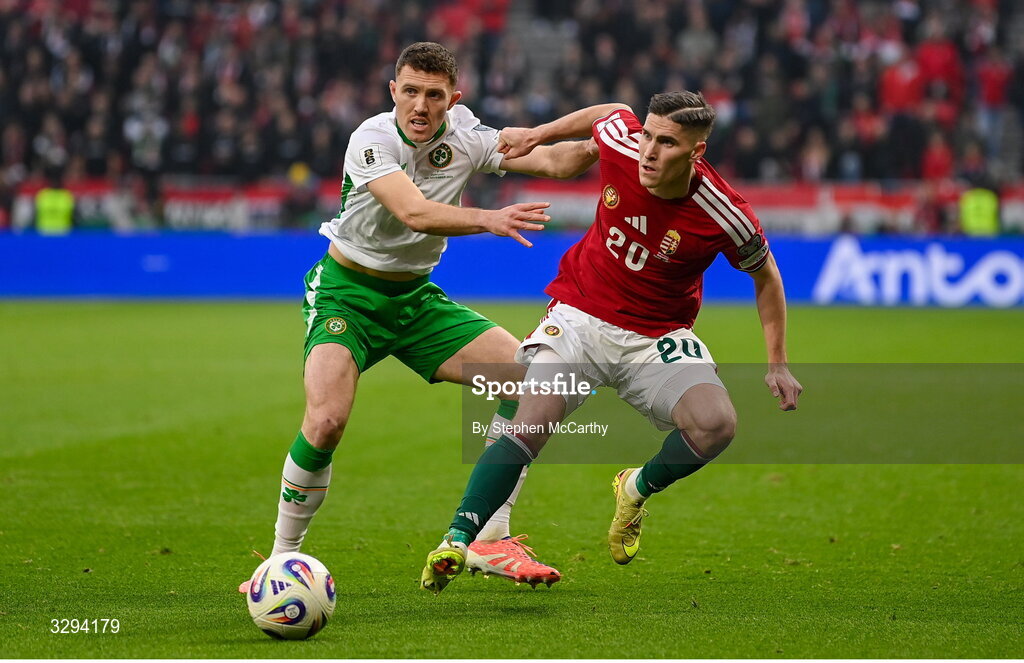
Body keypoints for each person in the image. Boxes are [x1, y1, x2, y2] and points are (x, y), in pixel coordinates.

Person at [245, 42, 598, 592]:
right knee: (326, 422)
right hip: (347, 294)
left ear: (452, 99)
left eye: (434, 95)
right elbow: (413, 211)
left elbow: (556, 160)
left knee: (528, 376)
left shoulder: (467, 135)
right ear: (393, 91)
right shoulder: (371, 138)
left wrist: (617, 137)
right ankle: (278, 561)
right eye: (409, 90)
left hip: (414, 301)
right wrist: (489, 218)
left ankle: (490, 539)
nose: (420, 105)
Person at [421, 91, 803, 594]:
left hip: (657, 336)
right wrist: (540, 133)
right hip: (581, 316)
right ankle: (458, 539)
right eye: (648, 134)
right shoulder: (624, 144)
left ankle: (635, 486)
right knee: (530, 420)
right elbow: (608, 114)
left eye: (666, 143)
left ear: (696, 152)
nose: (648, 150)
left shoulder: (725, 213)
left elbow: (767, 276)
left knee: (716, 425)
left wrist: (777, 362)